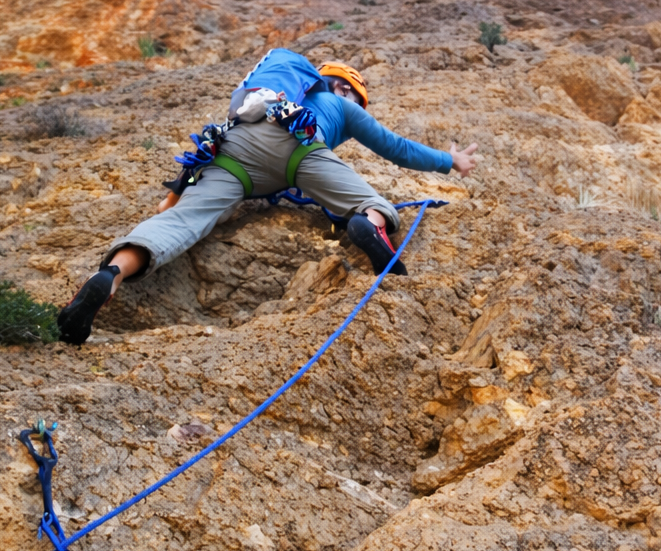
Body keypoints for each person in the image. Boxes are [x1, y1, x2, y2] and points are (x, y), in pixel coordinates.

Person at [57, 50, 479, 345]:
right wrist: (450, 160)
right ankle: (370, 226)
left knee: (181, 223)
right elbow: (396, 148)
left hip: (235, 155)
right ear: (343, 87)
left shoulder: (271, 94)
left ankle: (112, 274)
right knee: (371, 202)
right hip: (299, 146)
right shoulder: (340, 105)